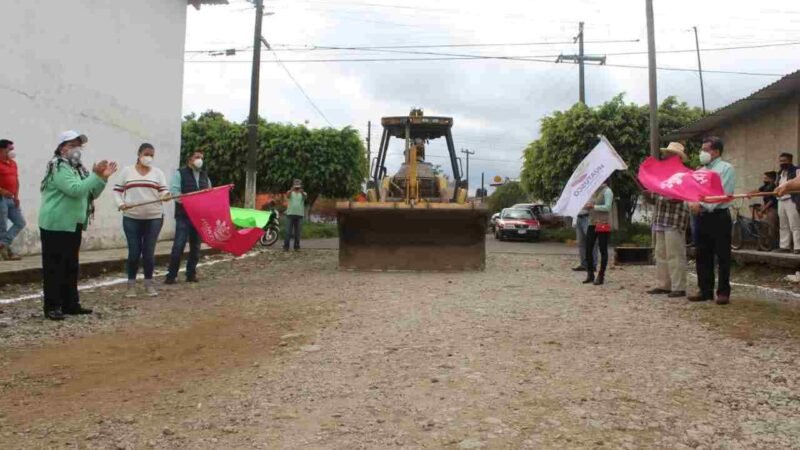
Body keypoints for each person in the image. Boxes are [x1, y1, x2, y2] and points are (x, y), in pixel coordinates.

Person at [39, 131, 117, 320]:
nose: (76, 148)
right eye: (71, 144)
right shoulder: (58, 166)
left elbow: (90, 193)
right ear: (62, 147)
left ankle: (70, 304)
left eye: (78, 145)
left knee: (70, 265)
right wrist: (95, 176)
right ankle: (52, 306)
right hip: (56, 224)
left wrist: (102, 178)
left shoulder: (78, 168)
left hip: (73, 223)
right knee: (54, 266)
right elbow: (74, 190)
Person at [114, 143, 169, 297]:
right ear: (138, 154)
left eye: (152, 155)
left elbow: (163, 191)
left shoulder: (158, 173)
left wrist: (166, 195)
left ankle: (148, 284)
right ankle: (131, 286)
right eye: (146, 154)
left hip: (154, 217)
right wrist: (121, 204)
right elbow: (117, 191)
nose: (149, 157)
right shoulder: (127, 171)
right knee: (134, 252)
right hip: (131, 218)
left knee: (149, 252)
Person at [688, 136, 735, 305]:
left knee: (722, 255)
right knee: (702, 254)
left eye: (705, 150)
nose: (702, 153)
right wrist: (692, 203)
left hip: (719, 216)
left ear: (716, 151)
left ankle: (723, 292)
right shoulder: (699, 171)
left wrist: (702, 205)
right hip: (700, 217)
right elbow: (691, 191)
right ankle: (705, 290)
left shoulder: (726, 168)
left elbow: (724, 193)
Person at [646, 142, 691, 298]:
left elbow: (678, 197)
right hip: (660, 218)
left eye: (669, 154)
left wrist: (658, 195)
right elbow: (655, 197)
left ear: (677, 157)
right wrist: (648, 195)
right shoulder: (662, 174)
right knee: (661, 254)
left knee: (675, 254)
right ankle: (663, 284)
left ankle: (679, 287)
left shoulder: (685, 175)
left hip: (675, 219)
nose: (665, 156)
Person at [166, 150, 210, 284]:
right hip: (183, 215)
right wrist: (190, 201)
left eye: (201, 158)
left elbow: (209, 192)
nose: (199, 160)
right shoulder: (180, 173)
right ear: (190, 160)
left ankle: (191, 274)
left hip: (199, 216)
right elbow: (174, 192)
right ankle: (171, 275)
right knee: (178, 246)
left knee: (196, 247)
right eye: (197, 157)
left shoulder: (204, 176)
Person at [583, 182, 613, 286]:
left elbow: (608, 207)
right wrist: (587, 206)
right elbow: (590, 205)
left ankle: (601, 275)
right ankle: (590, 273)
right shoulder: (594, 191)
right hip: (592, 223)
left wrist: (594, 207)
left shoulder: (607, 191)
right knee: (588, 248)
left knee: (602, 249)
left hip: (603, 223)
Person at [0, 139, 25, 260]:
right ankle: (7, 253)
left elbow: (16, 180)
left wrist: (17, 196)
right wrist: (2, 191)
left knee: (20, 222)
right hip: (1, 199)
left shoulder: (13, 163)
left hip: (12, 199)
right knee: (2, 226)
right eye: (9, 149)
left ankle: (3, 244)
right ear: (2, 149)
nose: (12, 151)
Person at [774, 153, 800, 253]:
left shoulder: (797, 170)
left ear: (790, 161)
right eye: (780, 161)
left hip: (792, 199)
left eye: (784, 161)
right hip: (781, 200)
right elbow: (777, 185)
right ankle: (784, 246)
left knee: (795, 224)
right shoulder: (779, 173)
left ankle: (798, 247)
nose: (782, 163)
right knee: (783, 224)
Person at [748, 171, 778, 249]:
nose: (764, 179)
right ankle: (762, 244)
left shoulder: (773, 187)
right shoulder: (765, 186)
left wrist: (762, 210)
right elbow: (758, 190)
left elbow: (772, 201)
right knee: (752, 207)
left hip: (773, 208)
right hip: (766, 207)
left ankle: (770, 245)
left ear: (771, 179)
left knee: (770, 226)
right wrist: (749, 193)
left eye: (766, 178)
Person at [572, 206, 598, 272]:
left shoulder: (589, 195)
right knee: (581, 243)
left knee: (592, 241)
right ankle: (584, 264)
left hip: (587, 217)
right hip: (578, 217)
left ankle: (593, 265)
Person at [283, 179, 306, 251]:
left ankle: (297, 247)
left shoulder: (303, 193)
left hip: (300, 215)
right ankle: (286, 247)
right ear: (293, 185)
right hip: (290, 214)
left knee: (298, 232)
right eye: (296, 186)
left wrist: (302, 192)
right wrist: (291, 190)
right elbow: (287, 196)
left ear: (301, 186)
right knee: (287, 232)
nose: (297, 188)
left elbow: (305, 197)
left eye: (298, 186)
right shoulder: (290, 192)